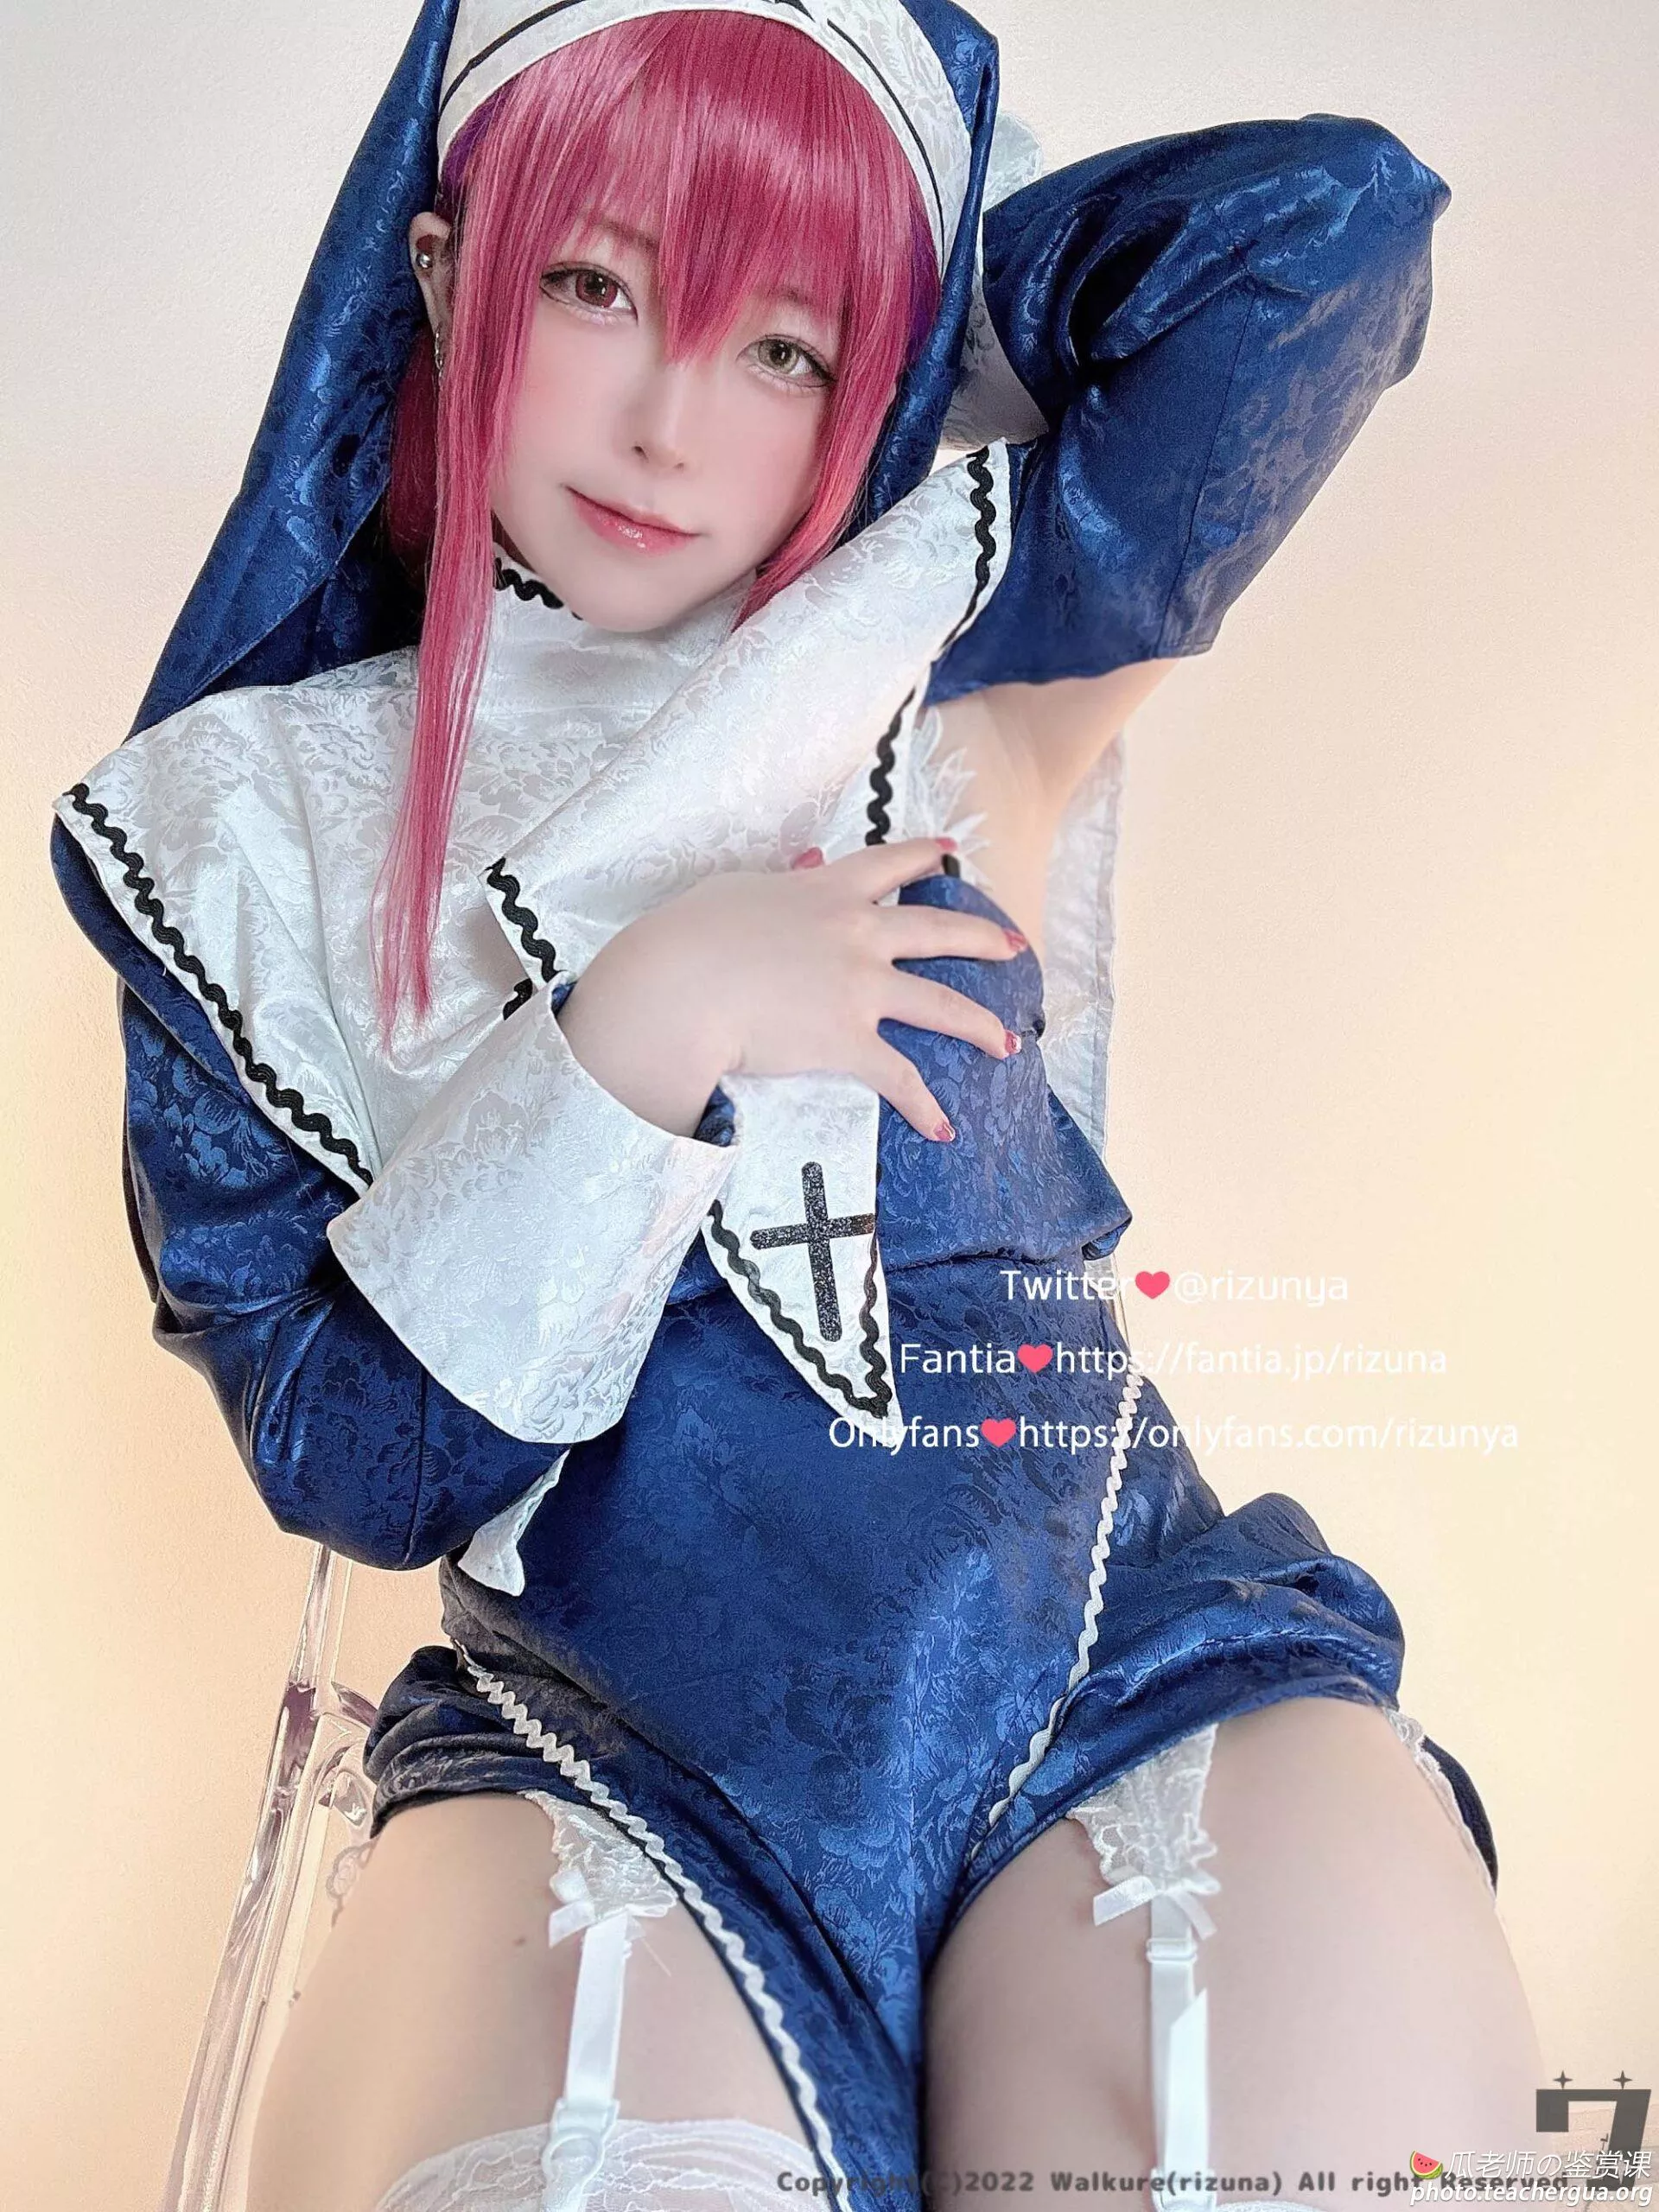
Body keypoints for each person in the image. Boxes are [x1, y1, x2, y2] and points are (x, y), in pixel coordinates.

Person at [49, 3, 1545, 2209]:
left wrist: (894, 274)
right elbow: (363, 1462)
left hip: (1127, 1664)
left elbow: (1330, 233)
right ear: (448, 270)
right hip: (611, 1753)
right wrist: (639, 1023)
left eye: (776, 346)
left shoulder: (936, 641)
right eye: (596, 284)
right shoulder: (231, 837)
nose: (670, 424)